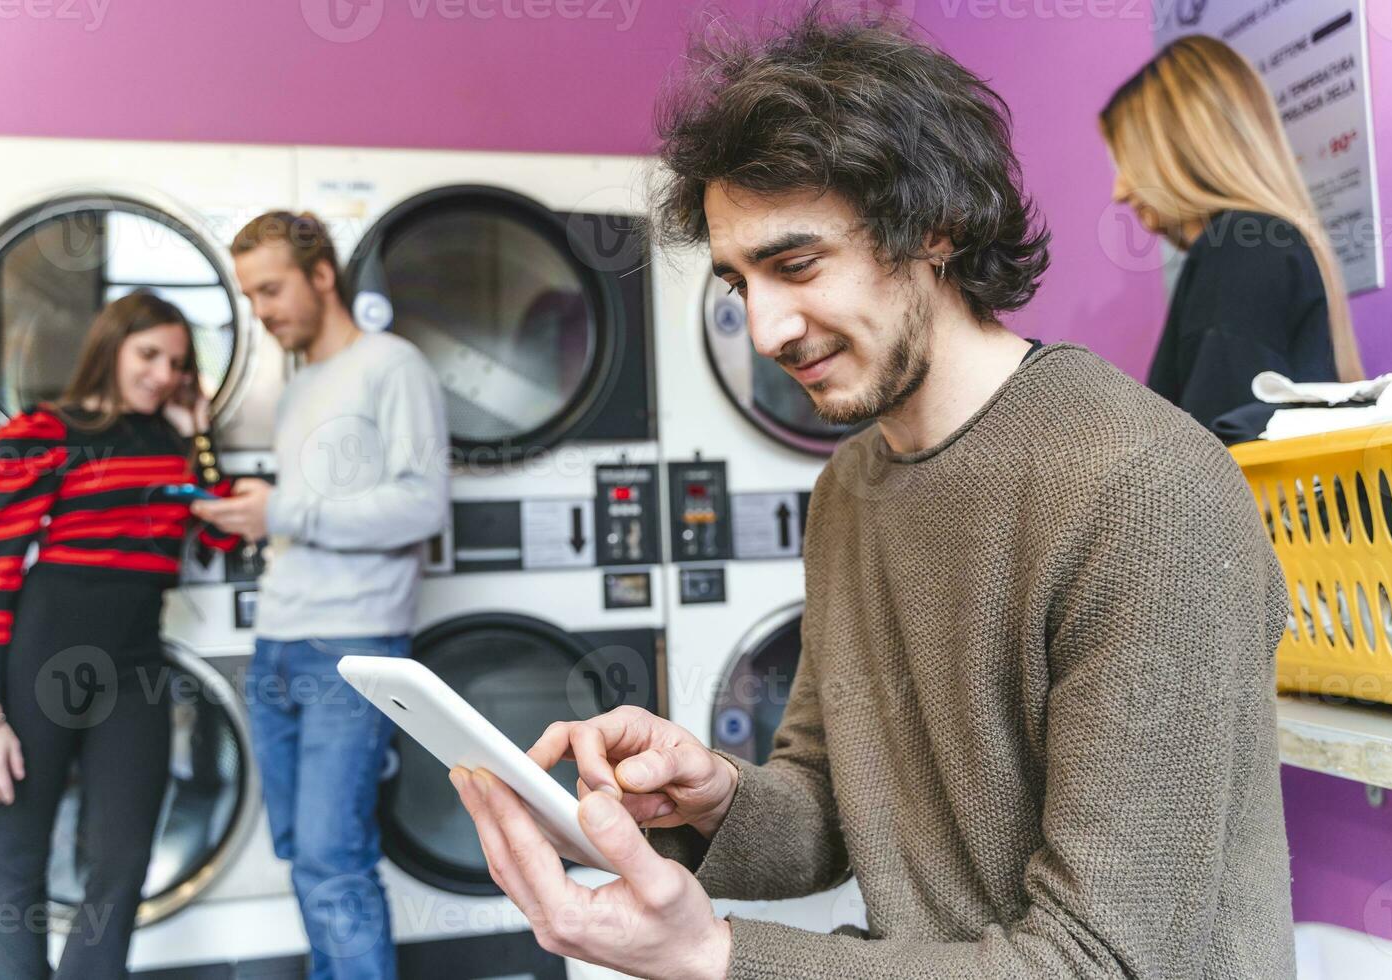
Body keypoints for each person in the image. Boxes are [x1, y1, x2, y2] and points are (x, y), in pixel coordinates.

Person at [447, 11, 1295, 980]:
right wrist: (711, 793)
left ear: (935, 227)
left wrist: (716, 956)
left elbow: (1104, 961)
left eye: (796, 264)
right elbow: (833, 805)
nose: (765, 327)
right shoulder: (852, 485)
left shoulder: (1143, 488)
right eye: (738, 283)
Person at [192, 211, 449, 980]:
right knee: (302, 852)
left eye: (270, 289)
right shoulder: (301, 386)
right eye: (248, 296)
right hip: (278, 641)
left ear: (323, 276)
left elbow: (422, 507)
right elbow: (308, 513)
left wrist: (283, 510)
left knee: (333, 860)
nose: (262, 311)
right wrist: (259, 507)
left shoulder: (391, 366)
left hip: (353, 647)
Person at [0, 291, 234, 979]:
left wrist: (198, 433)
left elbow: (222, 529)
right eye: (148, 354)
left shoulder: (173, 444)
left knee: (122, 864)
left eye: (176, 361)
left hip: (136, 667)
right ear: (111, 347)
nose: (162, 374)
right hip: (40, 661)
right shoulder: (45, 432)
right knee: (19, 858)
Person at [1100, 34, 1365, 436]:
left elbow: (1216, 464)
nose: (1119, 191)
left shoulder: (1243, 246)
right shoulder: (1263, 242)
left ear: (1185, 148)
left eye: (1129, 160)